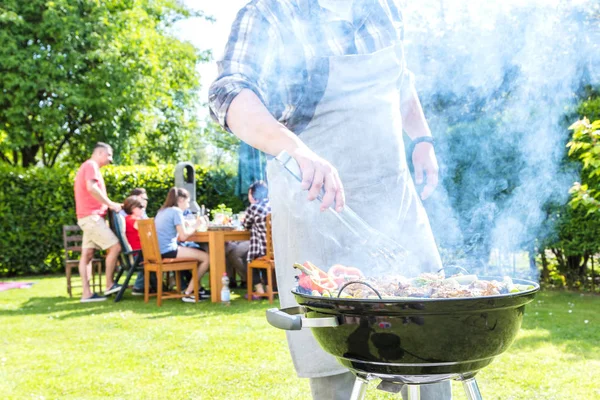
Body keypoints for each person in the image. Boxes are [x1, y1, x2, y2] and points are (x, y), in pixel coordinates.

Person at [209, 1, 449, 399]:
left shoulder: (384, 8)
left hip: (393, 196)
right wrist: (294, 148)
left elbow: (401, 82)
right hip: (316, 203)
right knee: (334, 357)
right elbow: (229, 91)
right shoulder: (270, 12)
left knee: (433, 338)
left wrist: (421, 138)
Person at [73, 142, 123, 302]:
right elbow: (92, 188)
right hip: (91, 217)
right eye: (109, 155)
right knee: (115, 247)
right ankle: (109, 285)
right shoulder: (90, 166)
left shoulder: (87, 167)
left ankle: (86, 294)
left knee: (87, 255)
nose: (110, 159)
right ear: (101, 153)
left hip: (87, 217)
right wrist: (111, 204)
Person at [154, 187, 210, 302]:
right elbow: (183, 237)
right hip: (169, 250)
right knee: (207, 258)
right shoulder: (176, 211)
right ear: (180, 200)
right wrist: (196, 225)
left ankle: (197, 289)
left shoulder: (162, 211)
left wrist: (190, 224)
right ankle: (189, 293)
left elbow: (178, 231)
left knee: (198, 253)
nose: (188, 205)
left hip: (159, 251)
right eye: (187, 201)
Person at [226, 181, 272, 294]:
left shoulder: (254, 207)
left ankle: (259, 289)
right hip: (275, 249)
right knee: (251, 253)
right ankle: (269, 288)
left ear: (252, 194)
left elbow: (246, 225)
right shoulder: (272, 204)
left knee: (249, 256)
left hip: (262, 249)